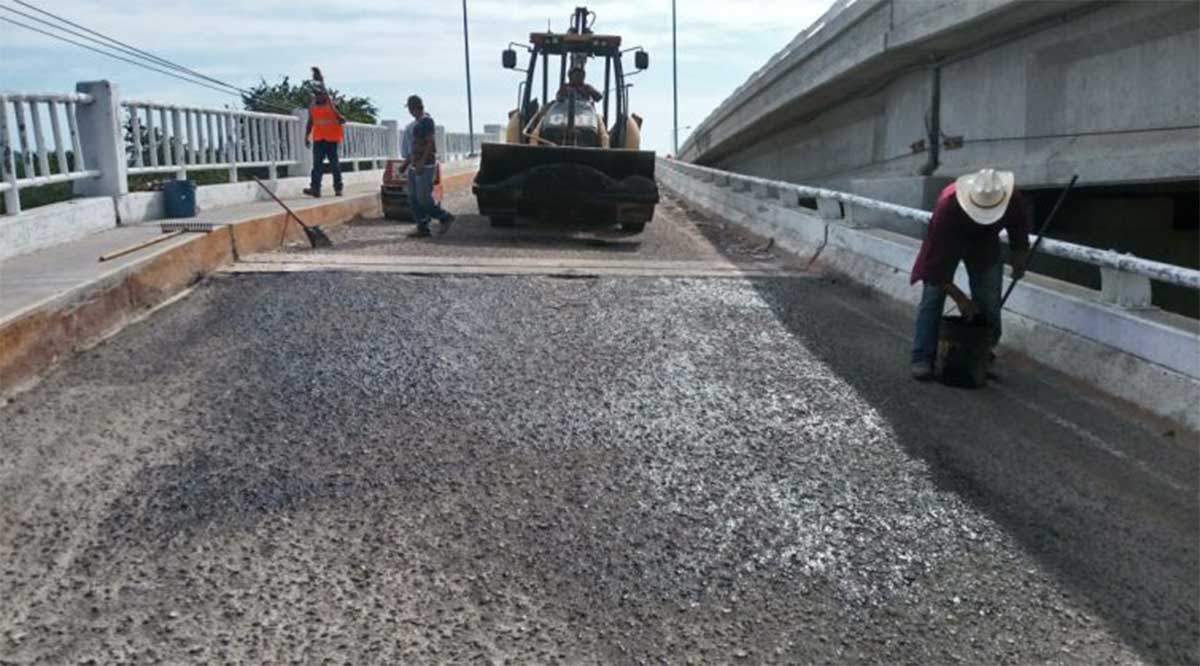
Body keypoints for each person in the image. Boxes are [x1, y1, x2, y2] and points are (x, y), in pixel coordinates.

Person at [909, 168, 1030, 380]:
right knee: (933, 295)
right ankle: (922, 357)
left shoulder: (1012, 198)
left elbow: (1019, 233)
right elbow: (935, 269)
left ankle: (981, 352)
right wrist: (961, 300)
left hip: (985, 243)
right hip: (950, 241)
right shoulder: (948, 205)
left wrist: (1019, 260)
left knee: (989, 299)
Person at [404, 95, 454, 237]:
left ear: (413, 108)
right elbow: (415, 146)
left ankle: (444, 217)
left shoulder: (427, 121)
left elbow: (430, 142)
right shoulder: (417, 123)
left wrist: (421, 162)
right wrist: (407, 164)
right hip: (414, 166)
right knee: (413, 198)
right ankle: (422, 226)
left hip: (425, 166)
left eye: (409, 108)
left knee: (423, 199)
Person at [303, 89, 346, 198]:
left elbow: (342, 119)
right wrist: (306, 137)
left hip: (332, 139)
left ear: (325, 96)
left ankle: (338, 188)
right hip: (319, 139)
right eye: (316, 94)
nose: (318, 97)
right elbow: (310, 122)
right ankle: (315, 188)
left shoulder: (332, 106)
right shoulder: (313, 107)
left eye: (320, 94)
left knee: (334, 165)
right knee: (317, 165)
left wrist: (340, 117)